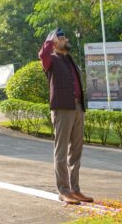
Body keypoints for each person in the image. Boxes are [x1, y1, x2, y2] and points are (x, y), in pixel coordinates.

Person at [39, 28, 93, 205]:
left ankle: (75, 190)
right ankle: (63, 190)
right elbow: (43, 55)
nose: (66, 39)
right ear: (55, 42)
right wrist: (50, 40)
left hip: (78, 107)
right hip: (62, 109)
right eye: (62, 38)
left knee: (76, 152)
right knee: (61, 151)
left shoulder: (69, 59)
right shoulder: (51, 59)